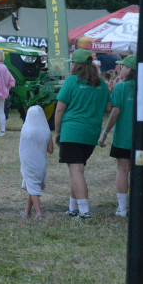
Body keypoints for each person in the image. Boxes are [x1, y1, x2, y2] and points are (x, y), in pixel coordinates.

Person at [54, 49, 110, 219]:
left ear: (75, 65)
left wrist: (57, 132)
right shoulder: (101, 84)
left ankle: (85, 212)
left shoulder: (71, 81)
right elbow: (108, 108)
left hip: (71, 132)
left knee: (76, 171)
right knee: (76, 169)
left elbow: (59, 109)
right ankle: (73, 207)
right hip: (90, 134)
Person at [99, 55, 143, 217]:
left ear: (130, 69)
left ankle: (122, 208)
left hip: (123, 139)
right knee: (140, 172)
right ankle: (139, 207)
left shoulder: (121, 88)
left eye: (123, 66)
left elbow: (115, 112)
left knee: (122, 170)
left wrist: (105, 133)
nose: (120, 69)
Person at [19, 106, 54, 220]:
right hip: (41, 163)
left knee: (32, 186)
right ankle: (27, 212)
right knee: (32, 185)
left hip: (29, 163)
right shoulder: (46, 131)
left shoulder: (25, 130)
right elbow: (50, 150)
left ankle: (39, 214)